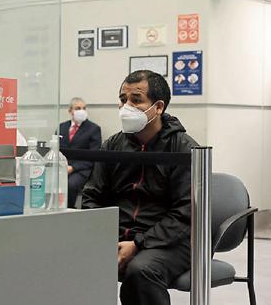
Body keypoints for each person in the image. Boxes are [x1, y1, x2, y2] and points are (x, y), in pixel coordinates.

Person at [81, 70, 198, 305]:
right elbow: (92, 196)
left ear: (158, 107)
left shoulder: (183, 149)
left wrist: (138, 243)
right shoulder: (113, 145)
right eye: (124, 100)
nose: (127, 106)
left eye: (136, 100)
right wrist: (105, 237)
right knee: (67, 259)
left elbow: (185, 214)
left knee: (141, 271)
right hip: (117, 236)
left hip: (169, 241)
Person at [58, 97, 101, 208]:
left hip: (82, 169)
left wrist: (73, 168)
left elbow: (93, 155)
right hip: (62, 167)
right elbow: (57, 149)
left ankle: (69, 210)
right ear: (70, 111)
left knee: (70, 185)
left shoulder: (94, 129)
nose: (81, 111)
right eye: (78, 108)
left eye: (84, 108)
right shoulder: (61, 128)